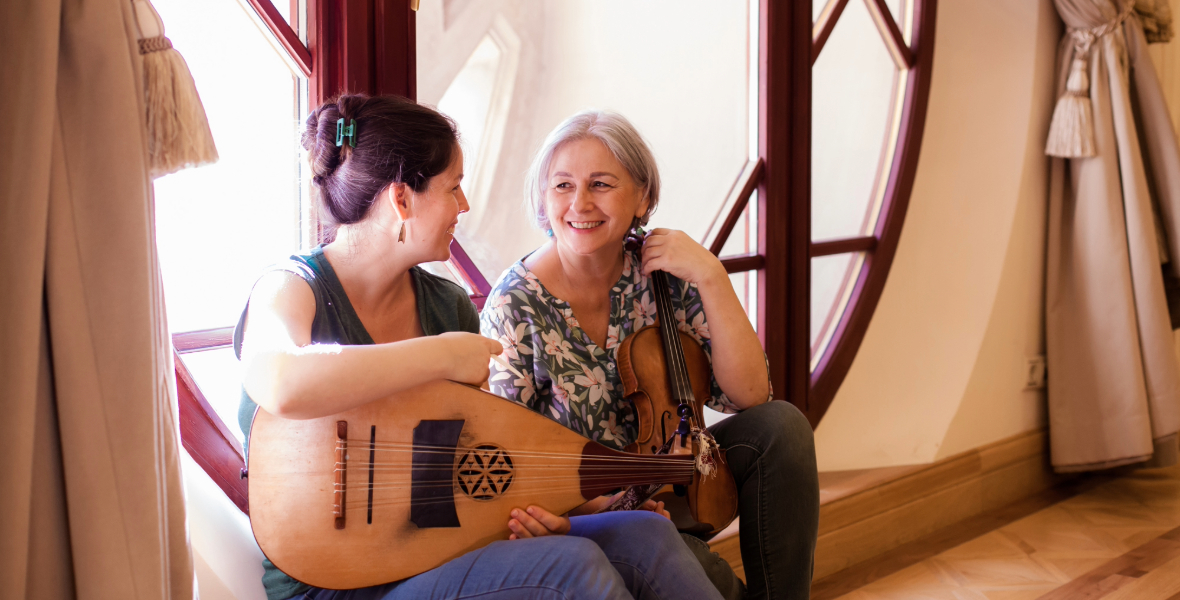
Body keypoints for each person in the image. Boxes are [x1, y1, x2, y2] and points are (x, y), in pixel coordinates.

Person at [234, 94, 726, 600]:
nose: (463, 205)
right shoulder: (291, 287)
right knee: (572, 566)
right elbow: (280, 380)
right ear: (402, 200)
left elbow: (475, 472)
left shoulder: (445, 304)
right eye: (453, 187)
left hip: (442, 553)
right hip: (335, 586)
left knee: (644, 533)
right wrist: (441, 355)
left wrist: (571, 512)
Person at [480, 111, 821, 600]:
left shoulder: (662, 269)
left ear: (643, 196)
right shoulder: (515, 303)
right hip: (588, 510)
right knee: (707, 577)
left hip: (680, 481)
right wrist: (603, 507)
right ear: (542, 197)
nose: (579, 203)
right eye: (562, 186)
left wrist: (711, 276)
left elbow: (751, 395)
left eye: (601, 184)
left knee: (782, 427)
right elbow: (509, 458)